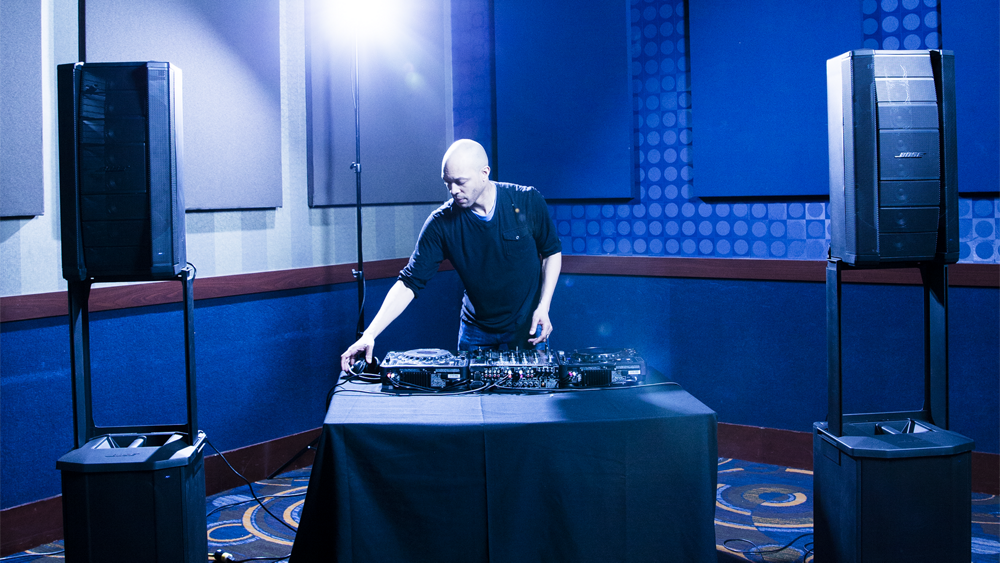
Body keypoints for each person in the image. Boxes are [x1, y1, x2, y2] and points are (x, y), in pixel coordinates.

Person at [340, 139, 562, 371]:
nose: (453, 190)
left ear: (484, 173)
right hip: (477, 328)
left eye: (460, 182)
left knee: (533, 390)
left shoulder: (527, 200)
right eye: (448, 183)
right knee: (470, 391)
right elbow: (409, 282)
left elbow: (551, 252)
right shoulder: (440, 223)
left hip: (528, 322)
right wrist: (370, 334)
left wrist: (544, 306)